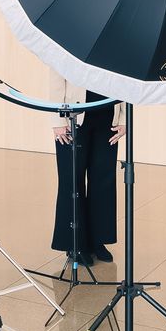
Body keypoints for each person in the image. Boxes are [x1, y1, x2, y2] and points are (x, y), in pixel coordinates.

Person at [48, 72, 124, 265]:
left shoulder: (120, 42)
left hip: (108, 116)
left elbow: (125, 78)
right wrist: (58, 120)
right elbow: (56, 79)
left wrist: (124, 117)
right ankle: (75, 244)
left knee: (103, 180)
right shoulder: (66, 40)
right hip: (73, 117)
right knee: (71, 180)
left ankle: (98, 240)